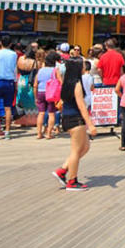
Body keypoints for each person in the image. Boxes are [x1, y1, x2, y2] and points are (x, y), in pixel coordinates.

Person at [51, 58, 97, 191]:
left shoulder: (67, 82)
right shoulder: (76, 84)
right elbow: (82, 106)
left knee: (85, 147)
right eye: (83, 65)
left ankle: (63, 170)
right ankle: (72, 180)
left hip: (68, 117)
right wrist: (91, 124)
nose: (85, 67)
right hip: (75, 119)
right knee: (76, 151)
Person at [0, 36, 18, 140]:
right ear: (10, 44)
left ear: (0, 43)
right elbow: (14, 69)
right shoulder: (14, 54)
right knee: (8, 108)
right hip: (9, 82)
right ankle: (7, 132)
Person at [34, 51, 61, 139]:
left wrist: (36, 97)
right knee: (51, 114)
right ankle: (49, 134)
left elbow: (35, 85)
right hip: (51, 94)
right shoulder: (55, 70)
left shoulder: (40, 70)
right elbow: (61, 82)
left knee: (41, 113)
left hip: (40, 92)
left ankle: (39, 133)